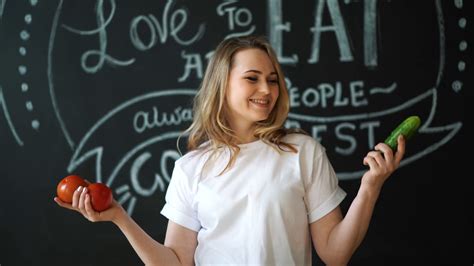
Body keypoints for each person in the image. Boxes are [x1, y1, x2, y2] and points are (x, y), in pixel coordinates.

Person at [54, 35, 405, 266]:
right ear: (222, 85)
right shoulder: (191, 168)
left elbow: (335, 253)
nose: (266, 89)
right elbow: (177, 262)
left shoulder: (302, 151)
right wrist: (118, 216)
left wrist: (370, 187)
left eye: (272, 79)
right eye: (252, 78)